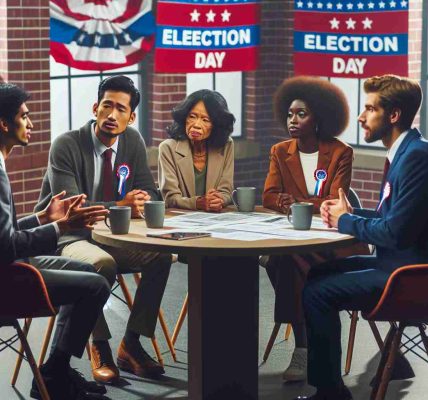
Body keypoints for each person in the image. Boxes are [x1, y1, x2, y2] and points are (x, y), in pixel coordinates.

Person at [295, 75, 428, 400]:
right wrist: (348, 216)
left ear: (393, 115)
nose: (360, 116)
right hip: (395, 265)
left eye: (369, 109)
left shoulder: (416, 157)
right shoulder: (407, 152)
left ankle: (329, 392)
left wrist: (345, 222)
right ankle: (330, 384)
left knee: (318, 293)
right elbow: (395, 219)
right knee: (317, 273)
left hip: (408, 277)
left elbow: (394, 232)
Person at [35, 76, 172, 384]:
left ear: (131, 116)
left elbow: (149, 189)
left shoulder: (133, 141)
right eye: (107, 106)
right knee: (101, 264)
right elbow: (73, 210)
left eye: (121, 109)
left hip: (112, 236)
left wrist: (143, 198)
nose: (112, 115)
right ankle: (100, 347)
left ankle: (132, 344)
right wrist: (122, 202)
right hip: (68, 237)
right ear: (95, 107)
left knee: (161, 256)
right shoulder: (67, 144)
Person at [0, 82, 111, 399]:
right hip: (8, 278)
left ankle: (55, 372)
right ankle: (54, 375)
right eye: (24, 115)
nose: (31, 122)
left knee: (93, 272)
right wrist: (62, 228)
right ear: (4, 123)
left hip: (13, 264)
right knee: (96, 286)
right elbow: (6, 247)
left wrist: (43, 218)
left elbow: (3, 235)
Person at [262, 76, 369, 382]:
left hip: (334, 239)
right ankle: (305, 343)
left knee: (285, 261)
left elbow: (333, 199)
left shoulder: (340, 152)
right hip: (297, 235)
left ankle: (303, 348)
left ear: (320, 118)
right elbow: (268, 195)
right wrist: (291, 202)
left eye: (301, 114)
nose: (292, 120)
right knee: (283, 259)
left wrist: (293, 200)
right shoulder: (280, 150)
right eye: (290, 114)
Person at [158, 89, 235, 211]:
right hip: (179, 219)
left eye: (206, 120)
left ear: (216, 125)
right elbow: (170, 198)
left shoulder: (226, 145)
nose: (196, 125)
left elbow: (226, 191)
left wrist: (218, 199)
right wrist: (198, 203)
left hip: (214, 219)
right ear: (184, 118)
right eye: (192, 117)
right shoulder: (167, 148)